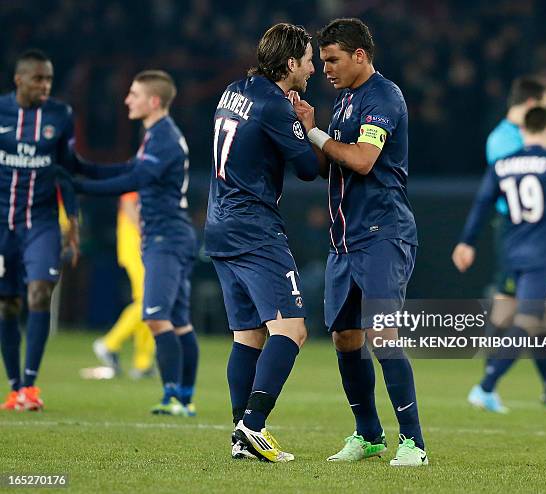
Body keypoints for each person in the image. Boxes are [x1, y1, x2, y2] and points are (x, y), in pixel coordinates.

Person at [293, 18, 427, 466]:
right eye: (323, 60)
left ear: (360, 56)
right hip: (345, 241)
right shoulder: (345, 101)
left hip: (383, 234)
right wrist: (309, 130)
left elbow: (365, 161)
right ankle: (369, 435)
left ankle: (414, 444)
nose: (325, 68)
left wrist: (316, 134)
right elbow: (332, 165)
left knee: (382, 336)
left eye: (332, 60)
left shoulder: (383, 98)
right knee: (346, 339)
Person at [204, 23, 318, 463]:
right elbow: (308, 168)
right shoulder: (275, 105)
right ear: (290, 64)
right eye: (307, 60)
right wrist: (307, 124)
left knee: (248, 335)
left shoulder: (234, 89)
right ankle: (253, 425)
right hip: (254, 229)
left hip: (218, 225)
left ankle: (240, 434)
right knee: (292, 329)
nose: (311, 68)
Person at [452, 106, 546, 413]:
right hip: (542, 256)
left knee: (536, 324)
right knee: (530, 321)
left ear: (522, 130)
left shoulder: (502, 164)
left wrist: (466, 242)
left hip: (511, 253)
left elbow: (483, 205)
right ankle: (485, 386)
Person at [72, 70, 199, 416]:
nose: (127, 99)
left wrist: (81, 188)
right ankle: (184, 397)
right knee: (178, 320)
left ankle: (174, 396)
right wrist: (84, 168)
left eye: (134, 94)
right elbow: (129, 169)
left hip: (165, 237)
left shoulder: (164, 138)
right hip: (170, 235)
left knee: (156, 316)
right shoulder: (156, 134)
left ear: (153, 101)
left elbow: (136, 179)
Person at [0, 49, 80, 411]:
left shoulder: (60, 115)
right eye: (38, 79)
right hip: (4, 224)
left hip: (43, 223)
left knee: (38, 294)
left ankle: (30, 386)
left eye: (49, 78)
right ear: (19, 80)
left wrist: (73, 221)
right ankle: (15, 385)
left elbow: (66, 172)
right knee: (7, 304)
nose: (46, 85)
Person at [92, 192, 155, 379]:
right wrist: (144, 234)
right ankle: (109, 343)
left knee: (149, 303)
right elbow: (128, 203)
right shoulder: (145, 165)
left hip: (142, 244)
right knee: (149, 301)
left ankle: (143, 363)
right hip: (137, 244)